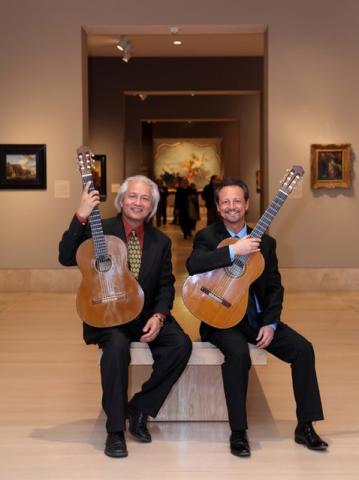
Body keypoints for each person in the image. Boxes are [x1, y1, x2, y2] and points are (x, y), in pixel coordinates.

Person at [186, 178, 327, 457]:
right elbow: (193, 265)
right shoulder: (208, 236)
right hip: (220, 317)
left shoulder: (267, 243)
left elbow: (275, 287)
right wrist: (232, 251)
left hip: (256, 319)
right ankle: (238, 431)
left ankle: (306, 426)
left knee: (303, 349)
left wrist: (271, 324)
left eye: (237, 201)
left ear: (247, 204)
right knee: (238, 355)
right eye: (225, 201)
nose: (231, 206)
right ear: (217, 206)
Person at [59, 175, 192, 458]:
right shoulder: (99, 229)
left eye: (145, 198)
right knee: (117, 349)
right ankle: (115, 429)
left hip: (144, 312)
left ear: (153, 206)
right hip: (107, 313)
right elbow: (65, 255)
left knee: (181, 345)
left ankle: (141, 408)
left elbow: (167, 284)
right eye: (132, 196)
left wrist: (159, 315)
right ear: (122, 200)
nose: (138, 202)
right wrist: (81, 215)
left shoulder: (160, 241)